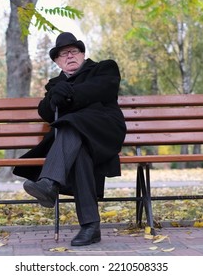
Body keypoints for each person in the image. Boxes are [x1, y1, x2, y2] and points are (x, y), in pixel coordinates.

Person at [13, 32, 127, 246]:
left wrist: (67, 94)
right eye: (63, 54)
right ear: (57, 61)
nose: (69, 56)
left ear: (83, 54)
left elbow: (101, 90)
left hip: (104, 131)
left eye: (74, 51)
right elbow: (46, 112)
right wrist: (56, 97)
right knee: (80, 153)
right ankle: (91, 226)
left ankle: (49, 182)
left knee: (71, 122)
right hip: (77, 142)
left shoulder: (104, 68)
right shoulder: (55, 84)